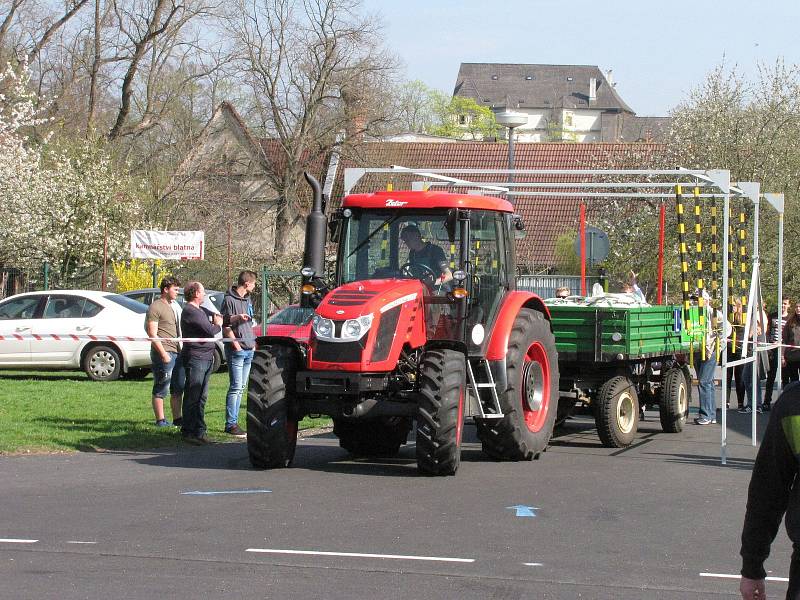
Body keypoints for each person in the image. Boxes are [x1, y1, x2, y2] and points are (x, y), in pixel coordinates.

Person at [739, 382, 800, 600]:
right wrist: (752, 566)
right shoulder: (794, 404)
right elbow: (768, 490)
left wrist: (752, 567)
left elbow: (768, 490)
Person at [180, 281, 223, 445]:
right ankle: (188, 431)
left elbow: (218, 317)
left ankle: (200, 431)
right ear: (196, 293)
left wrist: (232, 318)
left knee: (202, 396)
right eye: (203, 292)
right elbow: (210, 331)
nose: (204, 294)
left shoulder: (201, 310)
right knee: (193, 395)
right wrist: (217, 325)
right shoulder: (191, 311)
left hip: (207, 357)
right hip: (196, 358)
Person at [144, 276, 184, 427]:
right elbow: (152, 333)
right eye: (175, 289)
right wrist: (163, 354)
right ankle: (160, 420)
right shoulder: (155, 307)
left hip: (178, 351)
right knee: (161, 387)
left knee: (178, 387)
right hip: (164, 353)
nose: (177, 292)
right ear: (166, 289)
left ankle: (178, 419)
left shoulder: (174, 306)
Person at [221, 270, 256, 438]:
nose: (254, 287)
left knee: (242, 387)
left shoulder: (248, 299)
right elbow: (225, 324)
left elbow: (250, 321)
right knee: (235, 387)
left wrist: (253, 343)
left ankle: (235, 421)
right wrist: (236, 345)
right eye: (254, 283)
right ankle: (231, 424)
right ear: (247, 283)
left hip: (249, 347)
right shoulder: (229, 299)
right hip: (238, 349)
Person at [694, 293, 732, 425]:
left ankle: (706, 415)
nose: (696, 302)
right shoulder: (694, 313)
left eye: (699, 300)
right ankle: (711, 414)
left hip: (710, 350)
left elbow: (727, 328)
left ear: (706, 300)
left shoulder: (714, 313)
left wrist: (718, 343)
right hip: (698, 350)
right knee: (707, 382)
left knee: (704, 381)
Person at [764, 298, 791, 411]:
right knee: (771, 376)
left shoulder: (790, 318)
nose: (783, 306)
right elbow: (767, 331)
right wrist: (768, 346)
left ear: (789, 305)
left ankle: (785, 403)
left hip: (785, 349)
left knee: (785, 377)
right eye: (781, 304)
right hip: (772, 348)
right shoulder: (772, 316)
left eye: (785, 304)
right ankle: (767, 401)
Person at [783, 301, 800, 383]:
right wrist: (782, 356)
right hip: (792, 357)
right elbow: (785, 340)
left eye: (799, 307)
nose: (798, 309)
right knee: (794, 382)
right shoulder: (790, 321)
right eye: (796, 307)